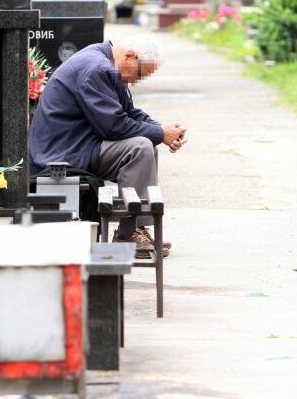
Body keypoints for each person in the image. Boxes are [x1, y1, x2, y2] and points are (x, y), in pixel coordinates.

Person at [28, 38, 185, 257]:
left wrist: (161, 129)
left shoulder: (107, 63)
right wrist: (159, 133)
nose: (137, 80)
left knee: (147, 145)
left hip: (81, 142)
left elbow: (129, 113)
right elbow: (113, 126)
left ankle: (136, 227)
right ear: (130, 56)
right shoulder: (96, 69)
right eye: (139, 74)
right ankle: (125, 235)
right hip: (65, 150)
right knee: (139, 148)